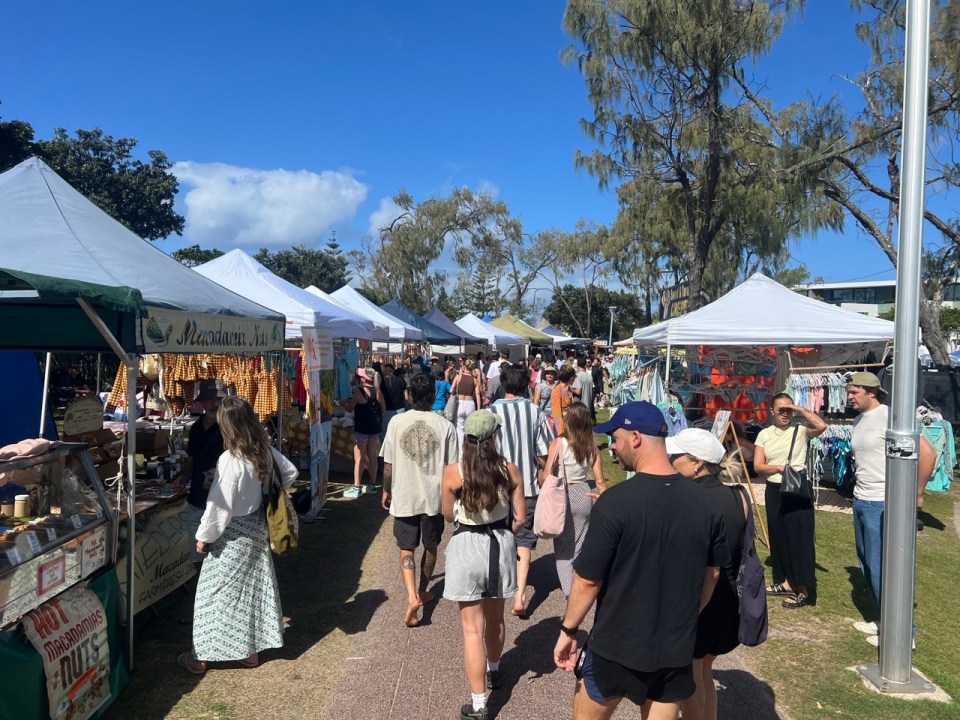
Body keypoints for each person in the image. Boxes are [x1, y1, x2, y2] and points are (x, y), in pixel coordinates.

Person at [554, 401, 728, 720]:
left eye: (616, 440)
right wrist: (685, 618)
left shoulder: (615, 503)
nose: (612, 450)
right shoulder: (707, 505)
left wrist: (568, 630)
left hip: (614, 647)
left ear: (635, 438)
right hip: (673, 652)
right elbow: (712, 575)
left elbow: (588, 580)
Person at [177, 396, 298, 674]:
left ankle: (201, 655)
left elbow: (220, 506)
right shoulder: (262, 450)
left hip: (234, 534)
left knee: (211, 593)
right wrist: (265, 491)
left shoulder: (231, 459)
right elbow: (290, 473)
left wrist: (204, 537)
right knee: (250, 591)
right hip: (256, 529)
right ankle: (250, 652)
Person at [442, 410, 525, 720]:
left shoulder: (454, 472)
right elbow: (520, 519)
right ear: (494, 438)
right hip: (499, 545)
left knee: (471, 629)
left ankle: (478, 705)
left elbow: (448, 515)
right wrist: (502, 533)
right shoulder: (510, 471)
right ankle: (495, 669)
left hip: (466, 545)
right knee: (496, 619)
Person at [846, 371, 935, 644]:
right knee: (868, 565)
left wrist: (916, 493)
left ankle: (903, 635)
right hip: (861, 499)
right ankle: (886, 621)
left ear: (871, 392)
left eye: (854, 392)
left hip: (882, 502)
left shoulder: (890, 416)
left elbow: (928, 454)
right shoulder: (859, 419)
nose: (849, 397)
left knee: (883, 567)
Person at [666, 428, 746, 720]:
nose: (671, 459)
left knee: (691, 675)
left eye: (676, 455)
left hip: (703, 597)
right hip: (729, 597)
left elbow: (697, 562)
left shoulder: (692, 499)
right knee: (704, 669)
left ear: (696, 462)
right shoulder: (738, 495)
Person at [381, 373, 459, 628]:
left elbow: (389, 463)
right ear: (433, 396)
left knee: (406, 547)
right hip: (433, 497)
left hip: (404, 493)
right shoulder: (445, 426)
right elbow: (452, 468)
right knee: (431, 545)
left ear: (409, 395)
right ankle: (423, 590)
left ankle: (412, 596)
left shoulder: (396, 422)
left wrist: (386, 489)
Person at [489, 367, 554, 619]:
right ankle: (520, 594)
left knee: (497, 533)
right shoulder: (534, 411)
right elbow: (543, 452)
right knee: (524, 538)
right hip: (526, 486)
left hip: (496, 486)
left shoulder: (490, 411)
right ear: (526, 384)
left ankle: (498, 586)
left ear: (503, 383)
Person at [753, 392, 827, 608]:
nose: (785, 414)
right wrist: (777, 468)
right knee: (778, 535)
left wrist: (801, 410)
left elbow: (821, 426)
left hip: (796, 489)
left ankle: (803, 589)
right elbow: (758, 466)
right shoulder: (764, 435)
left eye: (788, 409)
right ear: (772, 411)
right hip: (775, 488)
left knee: (799, 537)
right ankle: (785, 581)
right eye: (781, 410)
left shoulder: (801, 430)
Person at [539, 403, 607, 597]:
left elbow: (546, 475)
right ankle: (578, 584)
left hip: (563, 495)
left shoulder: (558, 444)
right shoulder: (592, 448)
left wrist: (539, 481)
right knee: (578, 545)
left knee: (563, 551)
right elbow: (600, 481)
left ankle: (571, 595)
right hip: (584, 494)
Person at [175, 379, 227, 574]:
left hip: (222, 502)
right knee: (196, 555)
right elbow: (191, 459)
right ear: (202, 402)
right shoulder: (196, 428)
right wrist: (183, 477)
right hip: (196, 499)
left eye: (219, 399)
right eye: (209, 399)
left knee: (219, 554)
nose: (215, 404)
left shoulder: (230, 429)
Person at [340, 368, 385, 498]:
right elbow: (383, 409)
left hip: (362, 428)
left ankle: (356, 487)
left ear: (364, 379)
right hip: (374, 428)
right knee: (372, 456)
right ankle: (371, 485)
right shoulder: (378, 391)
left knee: (359, 457)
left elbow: (350, 408)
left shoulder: (358, 391)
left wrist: (344, 403)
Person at [452, 358, 484, 445]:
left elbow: (451, 390)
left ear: (464, 366)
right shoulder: (474, 380)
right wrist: (478, 409)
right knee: (469, 430)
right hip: (470, 404)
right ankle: (469, 451)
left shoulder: (458, 377)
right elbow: (477, 394)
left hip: (460, 403)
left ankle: (460, 453)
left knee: (459, 429)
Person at [550, 366, 575, 435]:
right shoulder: (557, 390)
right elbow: (556, 413)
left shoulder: (567, 389)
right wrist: (561, 432)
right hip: (562, 426)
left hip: (570, 423)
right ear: (571, 378)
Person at [571, 357, 596, 422]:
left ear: (577, 365)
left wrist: (570, 388)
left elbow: (578, 391)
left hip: (579, 405)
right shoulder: (590, 376)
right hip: (588, 404)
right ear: (585, 364)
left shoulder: (577, 376)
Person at [533, 365, 557, 430]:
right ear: (545, 375)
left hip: (556, 415)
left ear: (554, 376)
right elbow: (536, 400)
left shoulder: (558, 385)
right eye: (548, 373)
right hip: (544, 414)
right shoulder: (540, 386)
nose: (550, 375)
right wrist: (536, 414)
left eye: (552, 374)